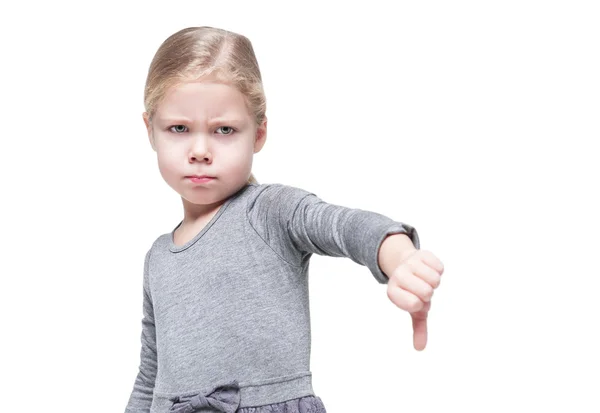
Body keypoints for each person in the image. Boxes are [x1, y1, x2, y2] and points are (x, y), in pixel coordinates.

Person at [124, 26, 444, 413]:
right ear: (150, 131)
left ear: (258, 133)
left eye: (224, 130)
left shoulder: (270, 211)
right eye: (179, 128)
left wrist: (398, 255)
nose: (200, 150)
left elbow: (339, 226)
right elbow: (149, 374)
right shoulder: (158, 256)